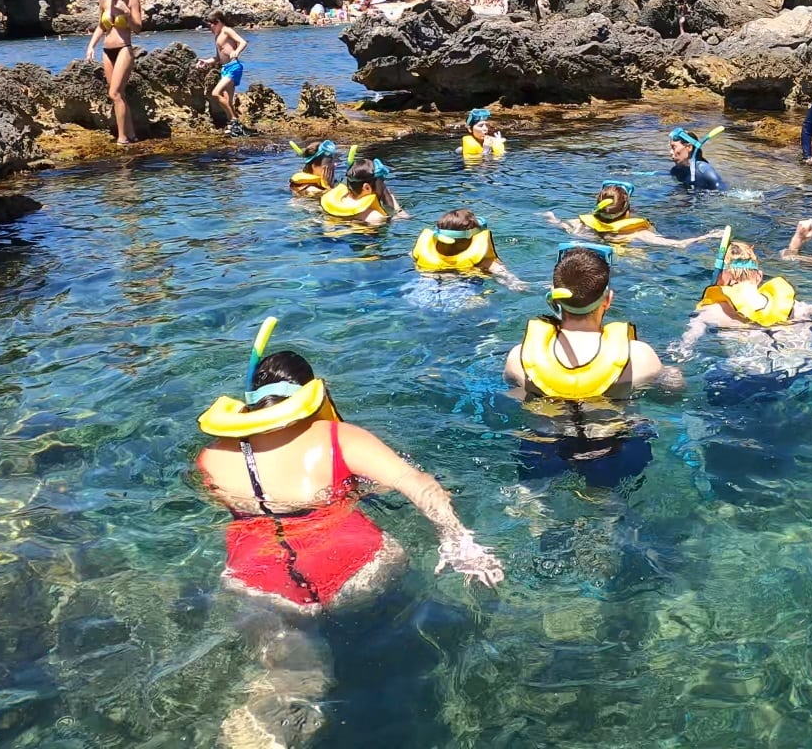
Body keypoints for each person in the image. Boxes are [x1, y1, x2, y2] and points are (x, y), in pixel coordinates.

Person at [197, 322, 503, 743]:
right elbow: (418, 484)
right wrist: (459, 540)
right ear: (311, 395)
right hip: (358, 574)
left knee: (290, 674)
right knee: (397, 650)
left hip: (255, 584)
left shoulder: (212, 458)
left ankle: (257, 730)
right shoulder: (339, 438)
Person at [503, 244, 666, 398]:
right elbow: (674, 392)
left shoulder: (518, 359)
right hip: (612, 426)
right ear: (608, 300)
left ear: (555, 298)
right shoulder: (640, 357)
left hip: (544, 426)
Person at [671, 237, 812, 359]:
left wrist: (683, 348)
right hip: (802, 362)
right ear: (759, 276)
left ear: (723, 279)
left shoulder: (713, 311)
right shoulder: (789, 305)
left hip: (752, 373)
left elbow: (691, 336)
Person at [544, 180, 717, 248]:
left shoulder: (579, 224)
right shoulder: (638, 233)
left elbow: (557, 223)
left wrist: (550, 216)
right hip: (627, 264)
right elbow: (678, 244)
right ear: (627, 212)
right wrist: (709, 236)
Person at [84, 0, 141, 144]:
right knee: (119, 94)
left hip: (124, 48)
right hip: (107, 51)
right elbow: (102, 26)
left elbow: (138, 28)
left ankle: (122, 138)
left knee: (114, 93)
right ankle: (131, 134)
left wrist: (126, 14)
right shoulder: (104, 1)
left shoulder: (132, 0)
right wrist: (91, 45)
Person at [410, 208, 525, 289]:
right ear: (473, 238)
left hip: (424, 288)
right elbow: (506, 278)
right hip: (463, 292)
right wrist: (517, 284)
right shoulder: (485, 261)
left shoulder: (422, 252)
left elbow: (412, 256)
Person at [198, 11, 250, 136]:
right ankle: (234, 127)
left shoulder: (227, 30)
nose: (210, 27)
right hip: (225, 68)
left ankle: (234, 121)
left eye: (211, 24)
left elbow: (243, 42)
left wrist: (237, 51)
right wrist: (206, 62)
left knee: (216, 93)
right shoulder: (217, 37)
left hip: (233, 67)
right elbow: (218, 57)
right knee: (228, 100)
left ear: (219, 22)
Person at [321, 157, 409, 225]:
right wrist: (395, 207)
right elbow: (405, 220)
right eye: (381, 183)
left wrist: (328, 188)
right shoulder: (374, 217)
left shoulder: (334, 200)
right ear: (367, 188)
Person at [668, 127, 726, 191]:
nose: (671, 152)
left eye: (674, 147)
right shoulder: (675, 171)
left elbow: (723, 191)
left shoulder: (704, 170)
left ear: (689, 147)